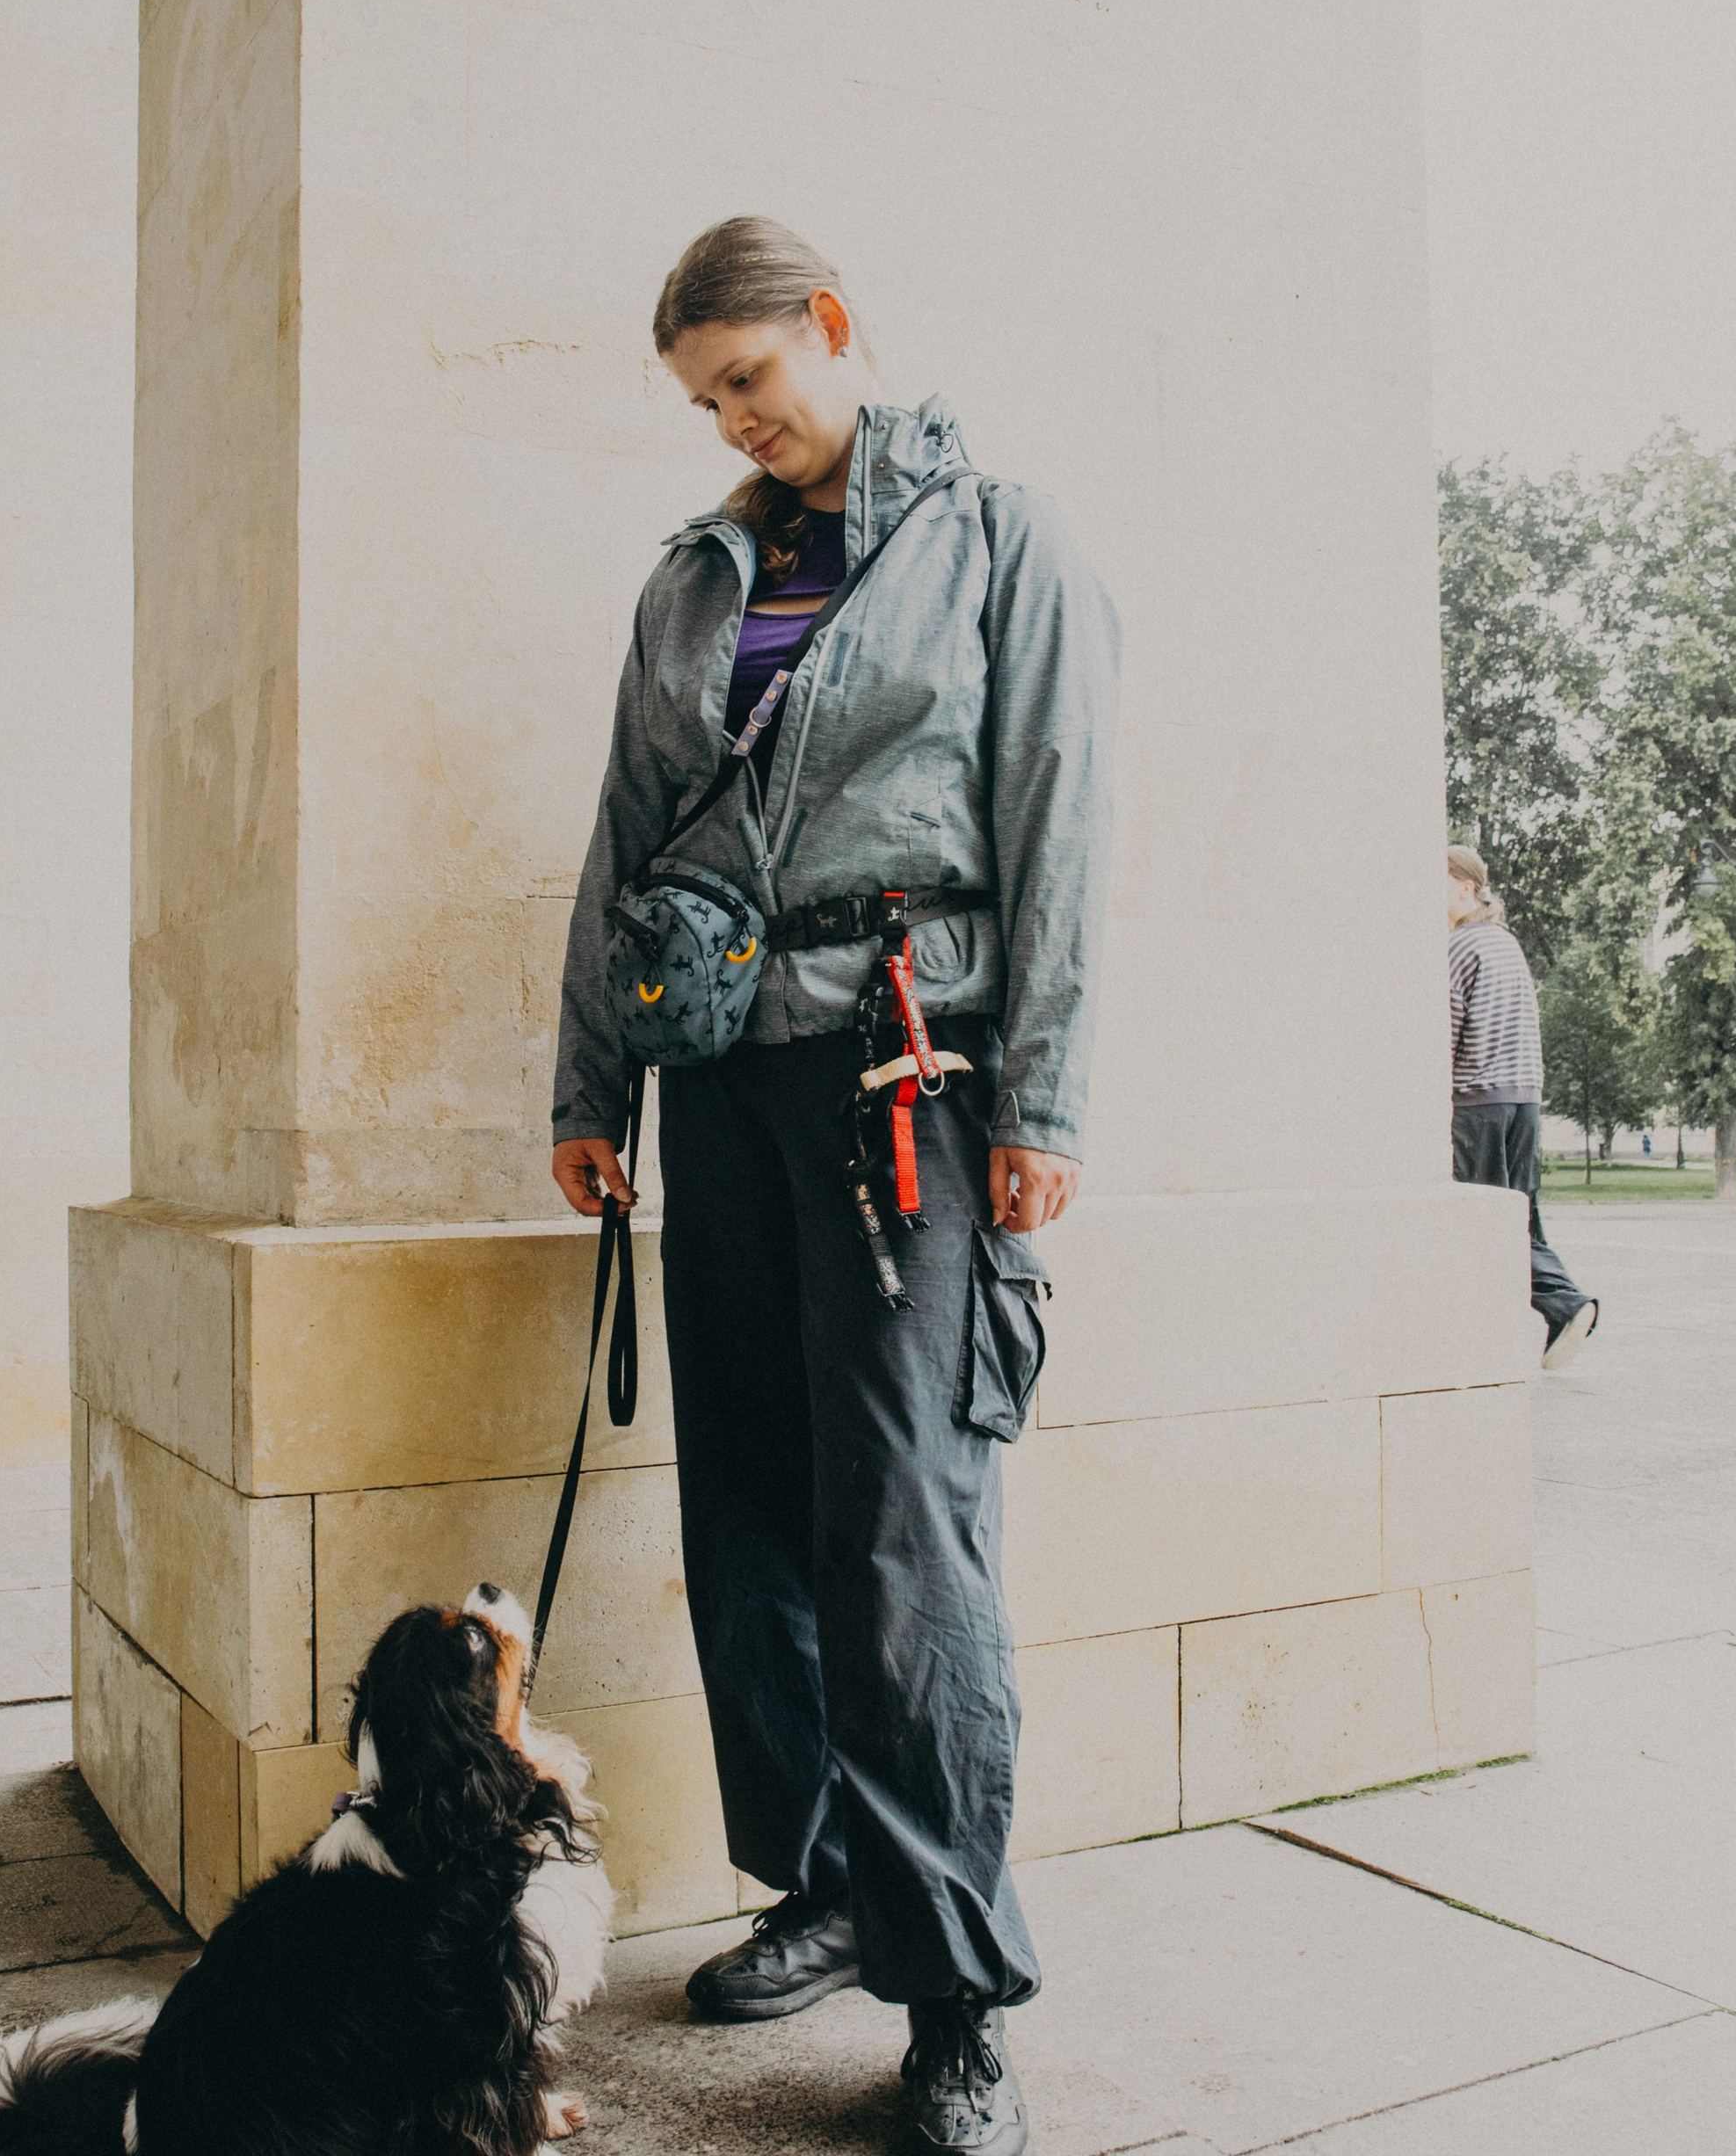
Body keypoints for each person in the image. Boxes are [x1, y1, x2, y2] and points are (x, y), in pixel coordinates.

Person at [552, 218, 1118, 2156]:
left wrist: (1038, 1097)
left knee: (902, 1532)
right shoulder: (695, 578)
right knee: (753, 1511)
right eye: (707, 395)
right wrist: (594, 1082)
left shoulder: (995, 536)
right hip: (718, 1079)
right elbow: (624, 838)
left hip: (909, 1079)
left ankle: (952, 1990)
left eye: (752, 377)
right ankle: (813, 1882)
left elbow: (1056, 818)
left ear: (834, 332)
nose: (736, 418)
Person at [1447, 846, 1597, 1366]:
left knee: (1480, 1221)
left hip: (1477, 1103)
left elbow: (1447, 1029)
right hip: (1523, 1101)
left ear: (1466, 887)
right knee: (1520, 1218)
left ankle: (1563, 1304)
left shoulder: (1460, 946)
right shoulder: (1506, 944)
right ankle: (1554, 1312)